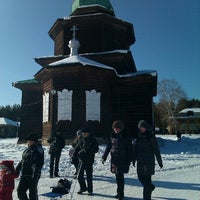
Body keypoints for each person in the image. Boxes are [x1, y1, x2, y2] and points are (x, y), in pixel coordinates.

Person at [102, 120, 133, 200]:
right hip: (115, 159)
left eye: (117, 129)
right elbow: (109, 146)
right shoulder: (112, 135)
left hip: (123, 159)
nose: (115, 130)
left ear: (121, 128)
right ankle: (119, 193)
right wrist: (104, 156)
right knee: (117, 176)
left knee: (120, 176)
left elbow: (130, 149)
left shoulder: (125, 136)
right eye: (114, 128)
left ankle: (121, 194)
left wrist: (130, 159)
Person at [132, 120, 163, 200]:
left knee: (147, 181)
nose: (141, 129)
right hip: (140, 161)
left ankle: (146, 197)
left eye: (142, 127)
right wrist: (134, 159)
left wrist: (160, 161)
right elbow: (135, 149)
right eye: (140, 127)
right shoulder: (138, 136)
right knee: (140, 177)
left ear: (145, 127)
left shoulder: (151, 136)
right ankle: (150, 187)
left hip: (148, 161)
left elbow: (156, 150)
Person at [16, 134, 44, 200]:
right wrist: (18, 168)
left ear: (33, 141)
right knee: (20, 191)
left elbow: (39, 163)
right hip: (24, 174)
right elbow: (23, 160)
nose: (27, 142)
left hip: (32, 174)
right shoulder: (27, 149)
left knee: (32, 193)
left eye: (28, 140)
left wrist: (36, 173)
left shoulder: (38, 149)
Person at [73, 128, 99, 196]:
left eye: (85, 133)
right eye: (83, 133)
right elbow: (77, 148)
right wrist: (74, 155)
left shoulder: (93, 140)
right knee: (79, 175)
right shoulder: (81, 139)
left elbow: (96, 149)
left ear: (88, 133)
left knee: (89, 176)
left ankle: (90, 190)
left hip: (89, 160)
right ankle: (83, 188)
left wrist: (87, 151)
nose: (84, 134)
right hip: (81, 160)